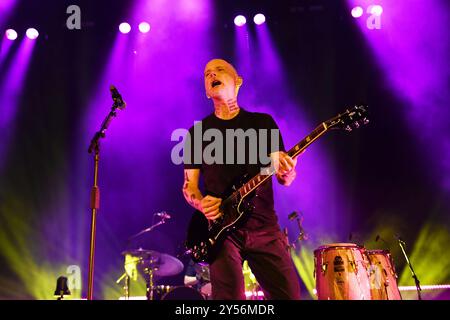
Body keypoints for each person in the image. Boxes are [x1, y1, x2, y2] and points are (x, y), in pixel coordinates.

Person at [182, 58, 301, 300]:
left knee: (288, 295)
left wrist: (286, 172)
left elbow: (283, 177)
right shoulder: (197, 132)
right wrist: (200, 202)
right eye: (207, 74)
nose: (211, 74)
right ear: (206, 91)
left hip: (264, 227)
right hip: (222, 232)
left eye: (219, 70)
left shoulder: (262, 123)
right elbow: (189, 186)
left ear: (238, 82)